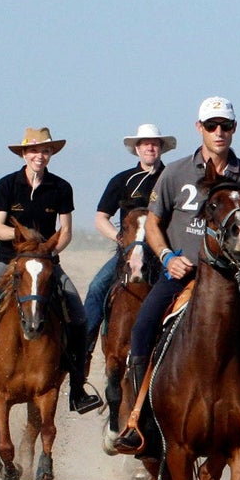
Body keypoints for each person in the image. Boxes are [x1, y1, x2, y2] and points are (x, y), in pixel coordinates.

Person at [110, 98, 240, 458]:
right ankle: (140, 424)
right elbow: (153, 223)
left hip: (234, 280)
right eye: (211, 126)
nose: (219, 132)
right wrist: (167, 257)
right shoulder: (176, 173)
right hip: (181, 274)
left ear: (234, 129)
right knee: (141, 331)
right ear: (199, 128)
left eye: (225, 126)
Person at [0, 127, 103, 414]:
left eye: (44, 150)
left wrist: (50, 252)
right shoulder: (6, 185)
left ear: (51, 154)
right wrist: (27, 240)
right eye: (33, 150)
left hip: (45, 262)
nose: (38, 156)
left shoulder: (61, 188)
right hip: (9, 261)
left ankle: (78, 387)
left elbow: (65, 231)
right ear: (24, 154)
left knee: (78, 313)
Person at [82, 123, 175, 354]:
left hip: (164, 254)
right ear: (137, 149)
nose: (150, 148)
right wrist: (120, 239)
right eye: (145, 144)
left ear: (161, 148)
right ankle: (83, 348)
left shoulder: (172, 178)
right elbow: (101, 217)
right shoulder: (122, 180)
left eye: (154, 144)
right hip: (129, 253)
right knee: (96, 288)